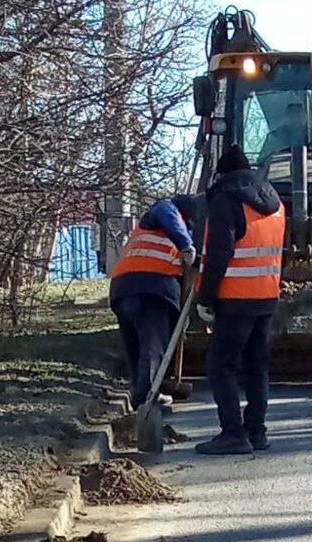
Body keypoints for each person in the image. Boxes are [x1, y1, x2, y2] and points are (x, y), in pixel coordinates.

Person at [194, 145, 285, 455]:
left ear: (223, 174)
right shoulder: (274, 202)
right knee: (257, 367)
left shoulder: (226, 199)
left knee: (222, 366)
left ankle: (233, 434)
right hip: (267, 297)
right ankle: (256, 431)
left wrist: (205, 298)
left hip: (235, 299)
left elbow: (220, 253)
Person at [110, 197, 196, 412]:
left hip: (123, 289)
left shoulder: (150, 228)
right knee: (152, 349)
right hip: (152, 290)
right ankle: (146, 405)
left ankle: (141, 399)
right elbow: (165, 210)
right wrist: (186, 245)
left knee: (137, 350)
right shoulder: (168, 210)